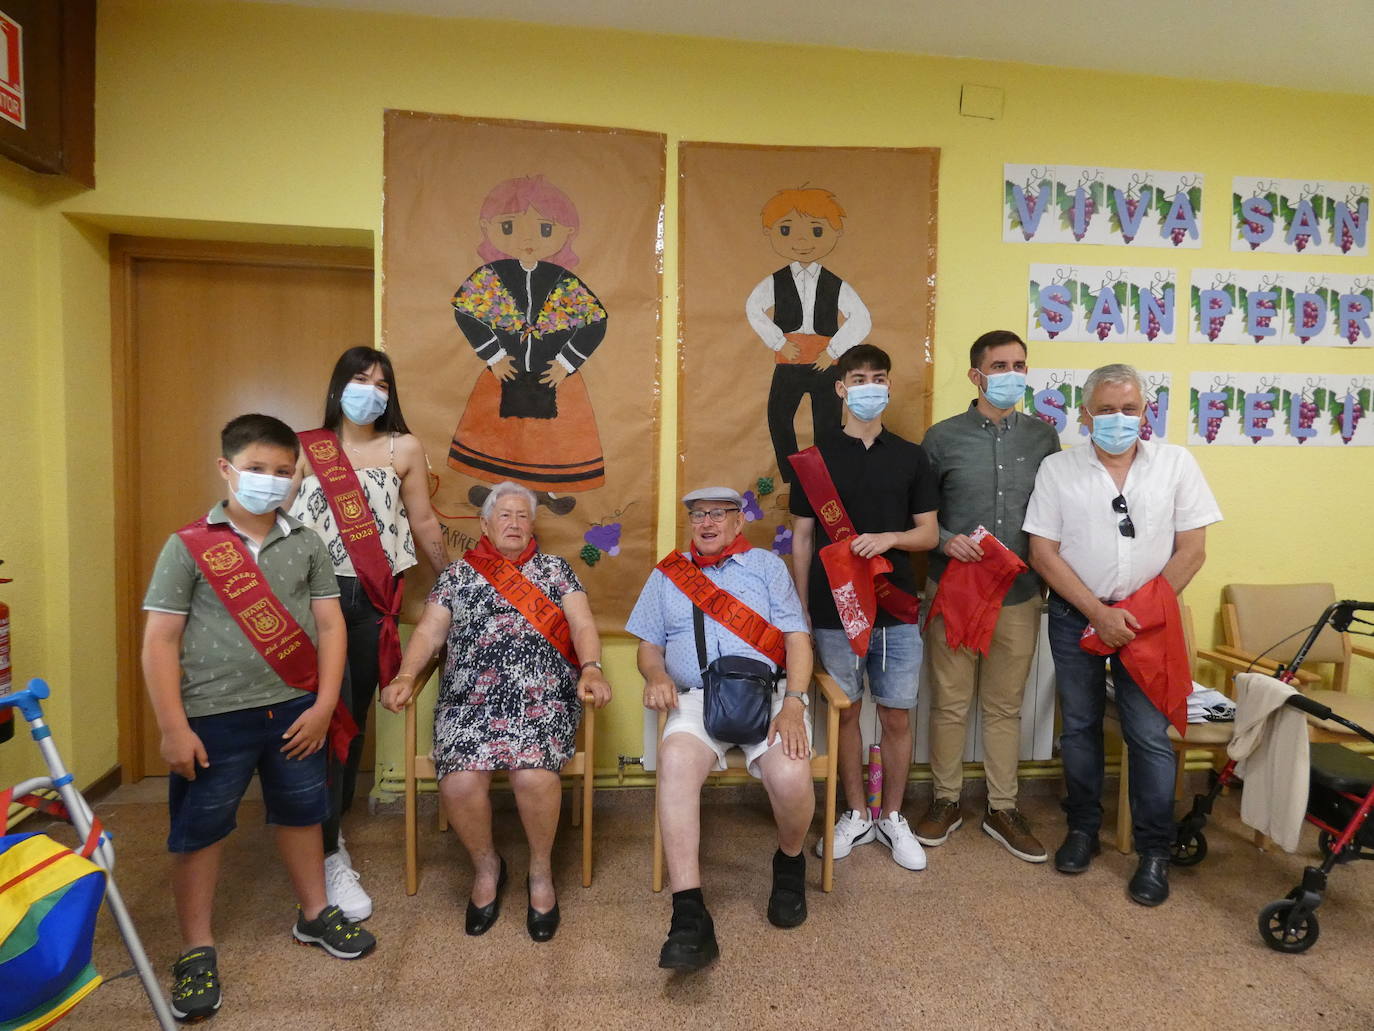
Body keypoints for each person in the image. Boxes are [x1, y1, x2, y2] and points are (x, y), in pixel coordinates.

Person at [142, 414, 376, 1024]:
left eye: (282, 472)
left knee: (304, 814)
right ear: (226, 469)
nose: (270, 482)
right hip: (213, 718)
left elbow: (330, 627)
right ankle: (196, 949)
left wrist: (327, 705)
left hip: (298, 710)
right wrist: (172, 727)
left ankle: (314, 913)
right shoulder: (189, 545)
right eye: (256, 470)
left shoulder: (307, 543)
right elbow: (160, 641)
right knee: (201, 830)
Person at [1024, 363, 1221, 906]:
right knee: (1082, 727)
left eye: (1129, 409)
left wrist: (1132, 615)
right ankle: (1083, 829)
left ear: (1145, 412)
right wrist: (1098, 613)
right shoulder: (1058, 469)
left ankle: (1155, 851)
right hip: (1075, 618)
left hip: (1148, 625)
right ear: (1085, 415)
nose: (1118, 419)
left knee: (1149, 736)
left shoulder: (1176, 464)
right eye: (1106, 410)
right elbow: (1044, 553)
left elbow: (1193, 550)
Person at [379, 482, 610, 942]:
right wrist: (406, 676)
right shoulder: (458, 576)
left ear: (533, 525)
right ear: (484, 525)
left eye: (523, 516)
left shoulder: (555, 571)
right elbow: (428, 633)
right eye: (504, 515)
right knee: (461, 778)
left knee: (533, 774)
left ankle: (540, 873)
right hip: (469, 705)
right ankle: (488, 867)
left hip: (541, 701)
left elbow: (582, 623)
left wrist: (592, 667)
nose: (514, 523)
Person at [288, 346, 450, 921]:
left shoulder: (402, 447)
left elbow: (424, 520)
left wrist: (453, 582)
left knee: (346, 723)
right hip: (302, 601)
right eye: (360, 380)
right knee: (302, 718)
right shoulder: (306, 448)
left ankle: (331, 845)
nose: (371, 391)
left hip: (366, 601)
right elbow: (275, 523)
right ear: (339, 386)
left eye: (382, 382)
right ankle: (312, 836)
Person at [628, 487, 815, 971]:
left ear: (738, 522)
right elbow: (648, 646)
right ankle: (689, 914)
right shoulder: (669, 574)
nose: (706, 522)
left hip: (768, 697)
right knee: (674, 763)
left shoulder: (767, 568)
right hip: (695, 699)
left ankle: (790, 864)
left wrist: (793, 703)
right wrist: (658, 674)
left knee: (793, 775)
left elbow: (796, 639)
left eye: (717, 514)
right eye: (697, 515)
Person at [789, 344, 939, 871]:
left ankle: (892, 817)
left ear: (890, 385)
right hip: (832, 610)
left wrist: (889, 539)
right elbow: (802, 541)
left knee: (896, 715)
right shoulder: (816, 459)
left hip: (895, 606)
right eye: (858, 377)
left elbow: (929, 533)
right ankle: (854, 812)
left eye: (878, 376)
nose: (869, 385)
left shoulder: (911, 456)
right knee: (846, 713)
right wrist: (802, 613)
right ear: (841, 388)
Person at [914, 330, 1061, 862]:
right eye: (999, 366)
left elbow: (1052, 514)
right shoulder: (941, 438)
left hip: (1019, 594)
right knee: (950, 704)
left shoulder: (1044, 438)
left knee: (1005, 706)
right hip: (954, 586)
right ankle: (945, 800)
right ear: (976, 375)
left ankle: (1004, 807)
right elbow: (921, 514)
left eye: (1019, 364)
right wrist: (946, 537)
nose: (1011, 375)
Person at [448, 174, 608, 514]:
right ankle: (494, 488)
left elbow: (596, 322)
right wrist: (494, 355)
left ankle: (547, 492)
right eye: (509, 226)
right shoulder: (490, 276)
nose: (528, 237)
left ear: (567, 232)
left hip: (555, 376)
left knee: (550, 438)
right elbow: (466, 312)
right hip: (503, 372)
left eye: (545, 228)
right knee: (501, 434)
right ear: (488, 227)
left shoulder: (564, 282)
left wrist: (566, 363)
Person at [745, 186, 872, 482]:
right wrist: (779, 341)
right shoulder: (775, 281)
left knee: (827, 423)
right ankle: (791, 480)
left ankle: (824, 479)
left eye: (816, 231)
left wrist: (834, 351)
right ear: (771, 232)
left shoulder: (834, 283)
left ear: (835, 233)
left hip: (825, 364)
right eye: (787, 230)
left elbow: (862, 318)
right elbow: (753, 308)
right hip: (788, 361)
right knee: (779, 419)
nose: (801, 240)